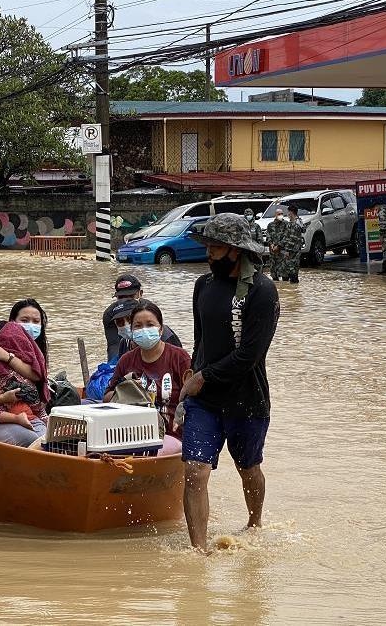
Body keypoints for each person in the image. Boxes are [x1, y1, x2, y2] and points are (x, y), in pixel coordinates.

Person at [181, 214, 280, 551]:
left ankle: (254, 523)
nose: (209, 253)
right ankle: (199, 551)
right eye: (207, 246)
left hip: (247, 399)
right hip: (204, 401)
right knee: (195, 472)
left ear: (236, 251)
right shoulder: (203, 286)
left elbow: (249, 356)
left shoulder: (262, 292)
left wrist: (204, 376)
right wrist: (193, 371)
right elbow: (201, 341)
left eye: (216, 247)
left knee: (247, 468)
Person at [104, 300, 191, 440]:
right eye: (138, 326)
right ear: (132, 331)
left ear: (161, 329)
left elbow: (193, 397)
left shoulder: (179, 358)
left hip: (172, 434)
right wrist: (126, 389)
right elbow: (107, 398)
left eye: (150, 325)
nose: (144, 330)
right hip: (133, 434)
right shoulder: (126, 360)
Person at [0, 321, 50, 447]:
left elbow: (36, 375)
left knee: (45, 438)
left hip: (30, 415)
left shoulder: (21, 358)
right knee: (35, 439)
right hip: (1, 415)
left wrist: (7, 356)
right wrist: (3, 398)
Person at [101, 275, 143, 361]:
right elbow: (113, 344)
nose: (126, 301)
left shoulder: (149, 311)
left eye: (131, 296)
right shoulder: (110, 314)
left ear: (140, 294)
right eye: (121, 297)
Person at [281, 205, 306, 284]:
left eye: (288, 212)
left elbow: (292, 238)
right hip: (293, 250)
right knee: (289, 270)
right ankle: (292, 290)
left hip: (292, 251)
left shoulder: (295, 224)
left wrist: (287, 250)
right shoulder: (294, 222)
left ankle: (294, 288)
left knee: (293, 271)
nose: (287, 214)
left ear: (291, 212)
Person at [266, 208, 287, 281]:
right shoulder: (270, 225)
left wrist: (278, 246)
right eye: (279, 214)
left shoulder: (286, 224)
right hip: (273, 251)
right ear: (275, 215)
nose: (280, 215)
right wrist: (271, 244)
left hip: (283, 251)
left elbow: (286, 237)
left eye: (282, 214)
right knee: (273, 273)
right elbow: (268, 235)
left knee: (284, 272)